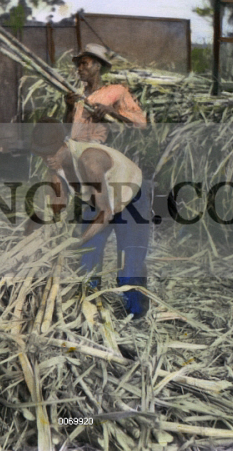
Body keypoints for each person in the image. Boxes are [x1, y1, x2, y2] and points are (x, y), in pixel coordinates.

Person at [31, 122, 150, 319]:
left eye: (52, 152)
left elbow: (106, 214)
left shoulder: (90, 161)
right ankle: (89, 309)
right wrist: (49, 236)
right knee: (87, 260)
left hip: (131, 198)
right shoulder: (54, 168)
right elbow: (58, 206)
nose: (48, 159)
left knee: (129, 264)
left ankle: (135, 315)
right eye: (42, 155)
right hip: (98, 199)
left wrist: (74, 242)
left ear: (64, 144)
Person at [65, 43, 147, 144]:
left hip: (98, 149)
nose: (79, 68)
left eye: (84, 63)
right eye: (79, 64)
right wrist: (69, 108)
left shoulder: (116, 91)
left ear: (98, 66)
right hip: (74, 147)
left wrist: (113, 112)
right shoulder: (78, 93)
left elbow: (141, 122)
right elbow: (67, 129)